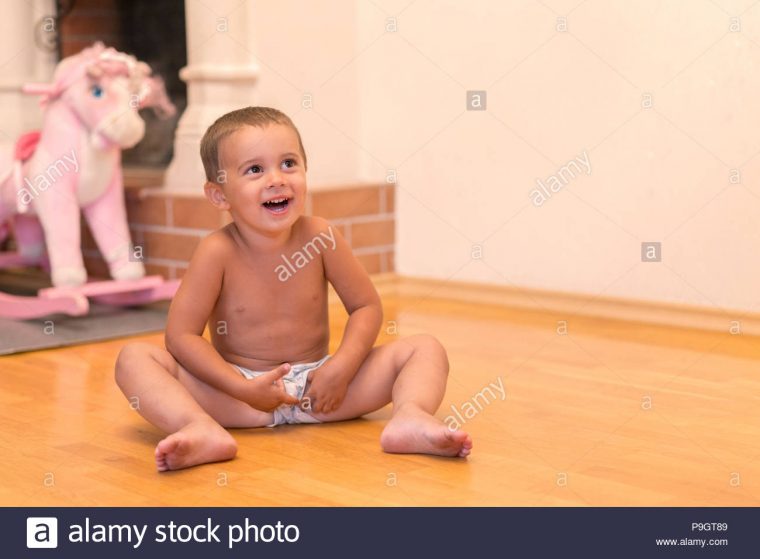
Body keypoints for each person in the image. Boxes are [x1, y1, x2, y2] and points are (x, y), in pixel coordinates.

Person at [115, 107, 472, 471]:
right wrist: (240, 387)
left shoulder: (321, 237)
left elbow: (366, 307)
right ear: (219, 195)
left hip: (323, 391)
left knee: (424, 348)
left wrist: (342, 368)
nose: (277, 179)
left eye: (288, 164)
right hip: (242, 397)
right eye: (255, 170)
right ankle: (200, 426)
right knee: (134, 359)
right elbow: (181, 336)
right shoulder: (216, 251)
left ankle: (410, 416)